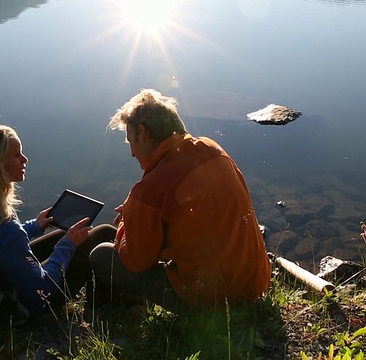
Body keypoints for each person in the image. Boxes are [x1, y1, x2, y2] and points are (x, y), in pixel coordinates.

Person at [90, 89, 272, 310]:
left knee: (100, 254)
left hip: (212, 299)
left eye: (131, 142)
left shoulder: (149, 189)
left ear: (143, 132)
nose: (132, 153)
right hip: (255, 283)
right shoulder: (213, 149)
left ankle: (115, 319)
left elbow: (136, 261)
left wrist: (128, 220)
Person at [0, 123, 116, 316]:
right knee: (102, 234)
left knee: (65, 233)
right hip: (22, 305)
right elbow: (42, 289)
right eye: (16, 155)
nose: (24, 159)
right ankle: (107, 307)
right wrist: (67, 245)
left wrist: (35, 227)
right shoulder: (4, 226)